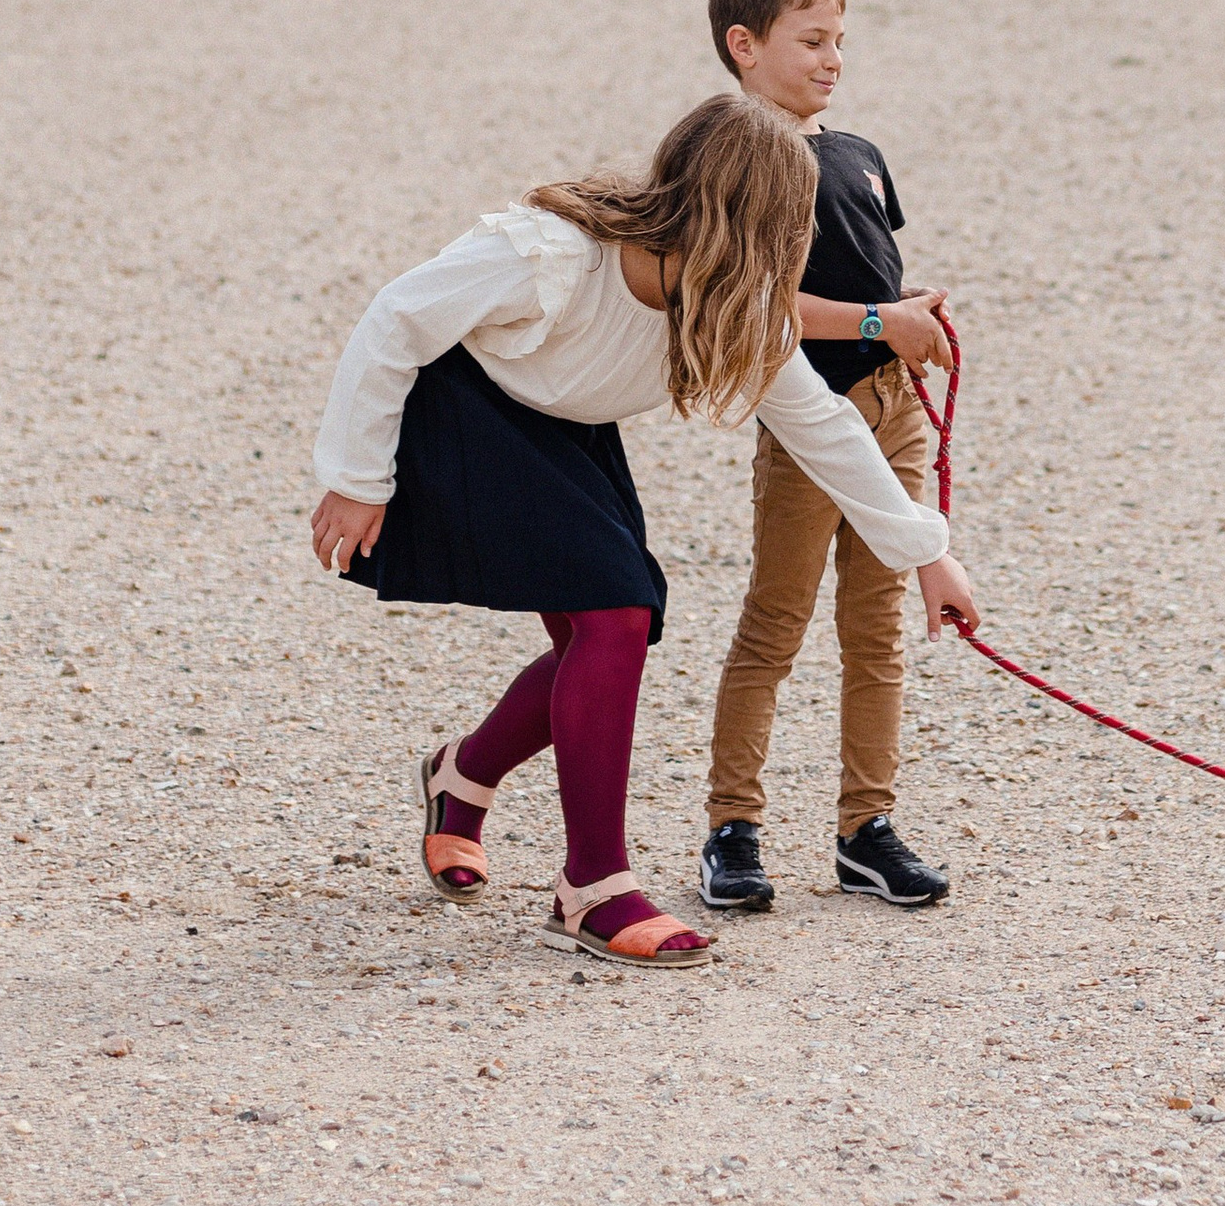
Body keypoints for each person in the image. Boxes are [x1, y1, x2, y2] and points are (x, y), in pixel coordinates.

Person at [308, 89, 980, 969]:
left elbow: (825, 428)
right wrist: (358, 479)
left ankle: (461, 774)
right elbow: (394, 320)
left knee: (614, 630)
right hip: (469, 408)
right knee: (617, 617)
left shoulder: (737, 304)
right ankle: (593, 886)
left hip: (571, 425)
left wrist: (928, 552)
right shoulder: (552, 253)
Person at [698, 0, 959, 917]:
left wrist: (908, 313)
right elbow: (756, 304)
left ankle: (866, 827)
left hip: (892, 411)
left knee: (876, 627)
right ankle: (732, 826)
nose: (833, 57)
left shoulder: (858, 154)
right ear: (744, 45)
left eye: (840, 39)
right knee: (773, 624)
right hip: (809, 415)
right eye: (811, 40)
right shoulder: (740, 160)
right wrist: (873, 322)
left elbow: (867, 270)